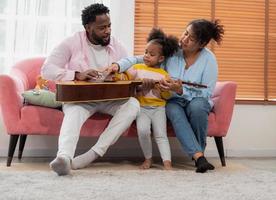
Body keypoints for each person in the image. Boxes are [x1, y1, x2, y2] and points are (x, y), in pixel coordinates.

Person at [108, 19, 224, 173]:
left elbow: (207, 92)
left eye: (191, 38)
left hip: (196, 100)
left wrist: (181, 90)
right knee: (174, 110)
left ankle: (198, 154)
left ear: (201, 44)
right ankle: (199, 158)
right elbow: (140, 58)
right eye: (185, 33)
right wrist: (117, 65)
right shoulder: (171, 51)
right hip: (173, 100)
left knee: (197, 107)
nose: (184, 39)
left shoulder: (209, 60)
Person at [41, 3, 140, 176]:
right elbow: (47, 69)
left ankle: (92, 155)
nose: (108, 31)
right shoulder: (72, 42)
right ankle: (64, 158)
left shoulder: (116, 44)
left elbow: (132, 71)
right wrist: (77, 74)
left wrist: (125, 76)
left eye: (109, 26)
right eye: (102, 28)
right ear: (88, 27)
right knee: (73, 112)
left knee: (133, 105)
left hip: (110, 99)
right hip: (82, 99)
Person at [126, 28, 178, 170]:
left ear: (161, 59)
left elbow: (167, 96)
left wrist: (161, 90)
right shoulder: (137, 68)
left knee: (161, 135)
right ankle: (148, 159)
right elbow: (127, 82)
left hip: (158, 109)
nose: (147, 56)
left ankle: (167, 162)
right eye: (146, 52)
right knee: (143, 131)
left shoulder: (164, 75)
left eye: (151, 54)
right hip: (142, 108)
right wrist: (138, 86)